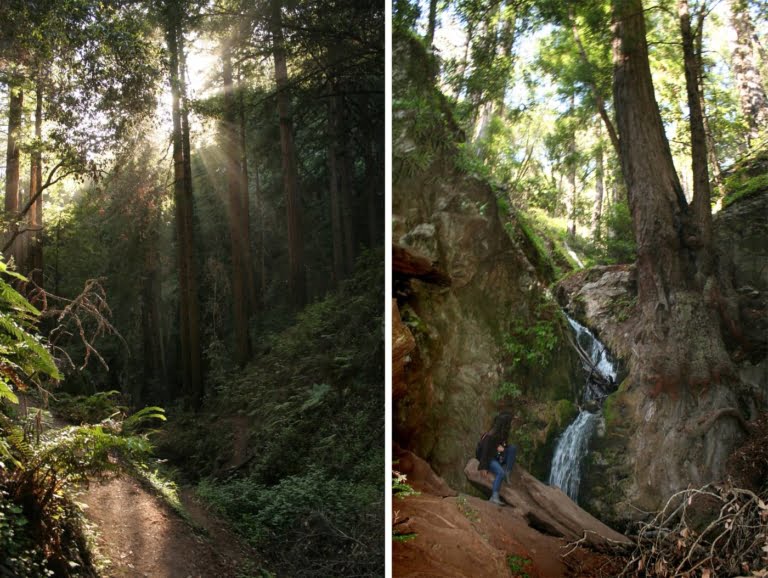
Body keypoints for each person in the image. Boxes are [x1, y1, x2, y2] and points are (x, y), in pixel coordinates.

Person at [477, 412, 517, 505]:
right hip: (489, 458)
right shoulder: (490, 436)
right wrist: (484, 467)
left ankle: (508, 472)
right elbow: (484, 452)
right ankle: (494, 497)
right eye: (509, 422)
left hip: (497, 456)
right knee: (500, 473)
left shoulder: (503, 434)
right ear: (504, 424)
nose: (511, 425)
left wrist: (503, 448)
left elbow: (504, 446)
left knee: (513, 448)